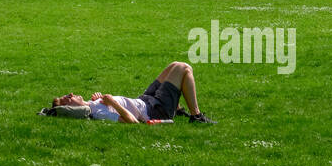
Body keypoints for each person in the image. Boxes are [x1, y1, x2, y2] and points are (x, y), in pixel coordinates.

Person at [46, 62, 216, 124]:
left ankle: (178, 110)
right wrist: (112, 102)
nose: (70, 94)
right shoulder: (97, 114)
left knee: (173, 65)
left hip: (144, 100)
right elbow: (132, 121)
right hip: (154, 110)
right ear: (71, 108)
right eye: (67, 98)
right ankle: (196, 116)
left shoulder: (92, 105)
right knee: (184, 68)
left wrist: (99, 99)